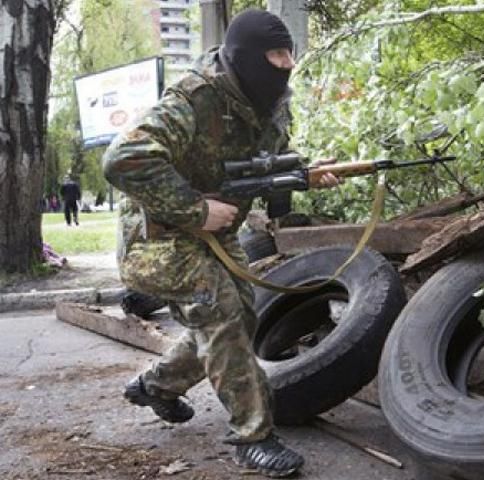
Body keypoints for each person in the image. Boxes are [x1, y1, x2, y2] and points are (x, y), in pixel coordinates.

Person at [102, 9, 338, 478]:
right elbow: (121, 159)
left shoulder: (270, 99)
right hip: (157, 237)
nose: (286, 63)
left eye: (289, 52)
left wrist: (304, 175)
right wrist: (196, 209)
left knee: (242, 312)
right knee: (222, 306)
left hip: (211, 235)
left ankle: (157, 386)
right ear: (246, 56)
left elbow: (261, 167)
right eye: (275, 54)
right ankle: (253, 437)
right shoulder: (194, 98)